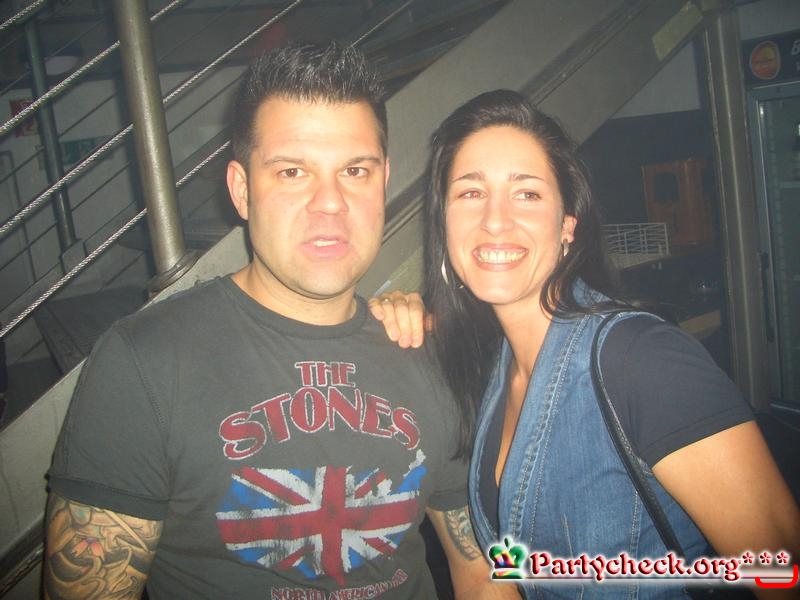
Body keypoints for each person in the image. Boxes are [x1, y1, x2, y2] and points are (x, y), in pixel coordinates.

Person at [44, 43, 520, 600]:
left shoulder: (429, 349)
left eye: (355, 171)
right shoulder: (145, 364)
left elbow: (490, 566)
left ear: (384, 181)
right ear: (242, 190)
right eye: (293, 172)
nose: (330, 202)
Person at [370, 89, 800, 598]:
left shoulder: (641, 358)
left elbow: (781, 567)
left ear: (567, 224)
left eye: (527, 194)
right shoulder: (491, 370)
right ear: (444, 222)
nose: (495, 220)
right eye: (470, 193)